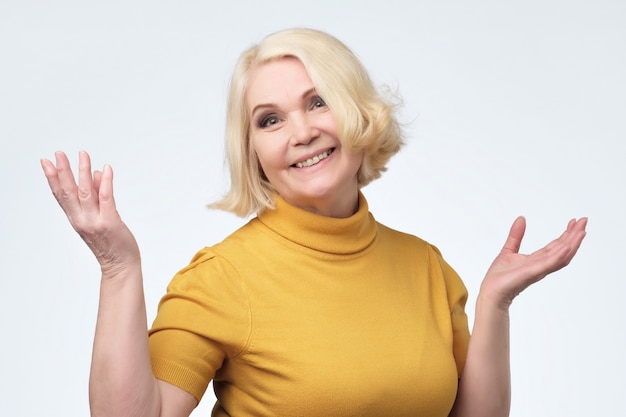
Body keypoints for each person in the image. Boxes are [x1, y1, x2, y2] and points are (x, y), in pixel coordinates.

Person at [41, 28, 587, 417]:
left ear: (359, 115)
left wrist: (494, 302)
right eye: (270, 119)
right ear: (253, 151)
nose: (300, 132)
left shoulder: (425, 266)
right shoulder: (222, 277)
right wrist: (118, 267)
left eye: (318, 102)